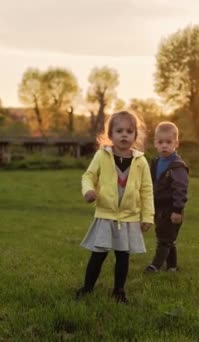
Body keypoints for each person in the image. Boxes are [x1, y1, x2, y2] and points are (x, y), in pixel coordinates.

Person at [76, 111, 154, 303]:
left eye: (129, 131)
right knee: (98, 255)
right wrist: (88, 191)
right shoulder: (102, 156)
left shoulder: (140, 161)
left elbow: (147, 190)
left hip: (128, 217)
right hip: (106, 214)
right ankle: (87, 288)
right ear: (110, 135)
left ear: (136, 136)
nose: (124, 135)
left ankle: (119, 292)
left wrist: (147, 217)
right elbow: (88, 176)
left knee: (123, 256)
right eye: (119, 131)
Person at [146, 122, 189, 273]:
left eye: (168, 142)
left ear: (176, 144)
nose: (164, 145)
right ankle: (172, 267)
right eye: (160, 142)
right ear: (155, 144)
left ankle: (155, 266)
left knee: (165, 239)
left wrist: (178, 209)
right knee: (167, 237)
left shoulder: (177, 166)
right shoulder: (155, 163)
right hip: (159, 207)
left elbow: (181, 189)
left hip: (172, 208)